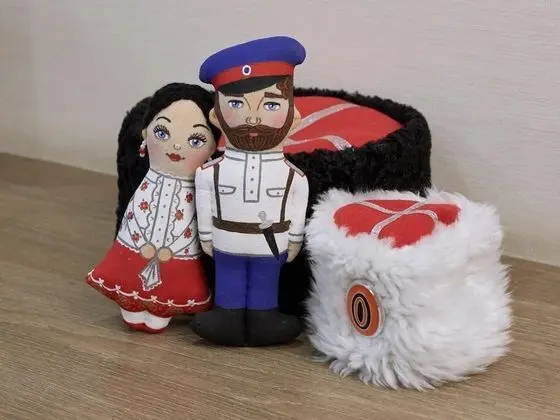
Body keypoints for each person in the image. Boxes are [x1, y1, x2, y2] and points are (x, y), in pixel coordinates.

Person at [191, 36, 310, 346]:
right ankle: (226, 317)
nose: (253, 118)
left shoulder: (295, 177)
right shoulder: (208, 173)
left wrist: (294, 240)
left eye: (270, 104)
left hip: (271, 244)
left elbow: (297, 210)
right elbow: (204, 203)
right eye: (236, 104)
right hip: (226, 239)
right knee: (228, 277)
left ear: (293, 118)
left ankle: (264, 319)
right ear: (215, 116)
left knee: (265, 280)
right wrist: (206, 236)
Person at [86, 82, 219, 333]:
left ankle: (161, 309)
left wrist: (174, 247)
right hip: (139, 246)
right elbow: (134, 214)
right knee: (129, 276)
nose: (176, 146)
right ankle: (133, 304)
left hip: (176, 252)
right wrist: (141, 241)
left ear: (212, 148)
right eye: (162, 133)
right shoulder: (146, 184)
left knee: (172, 287)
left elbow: (192, 224)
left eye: (195, 140)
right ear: (145, 133)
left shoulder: (198, 190)